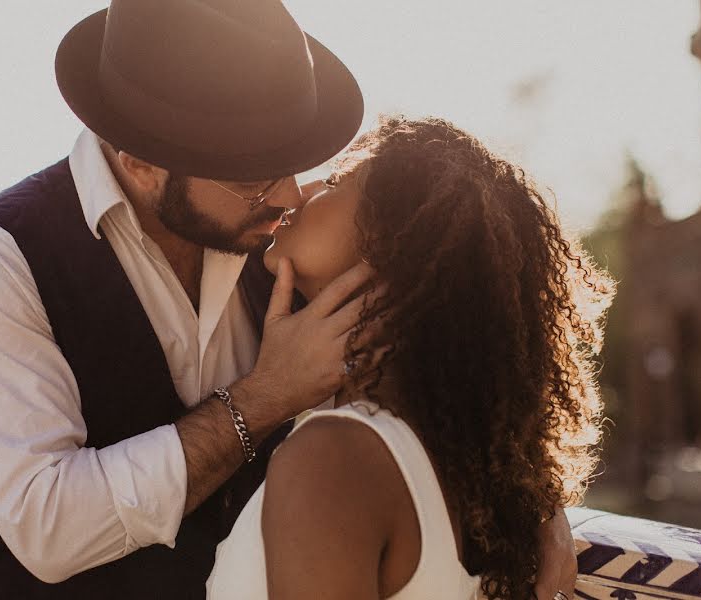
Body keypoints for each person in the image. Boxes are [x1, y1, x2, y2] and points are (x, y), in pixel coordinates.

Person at [0, 1, 577, 598]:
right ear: (141, 164)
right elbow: (49, 528)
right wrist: (265, 399)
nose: (290, 195)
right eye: (252, 179)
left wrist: (536, 498)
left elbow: (454, 343)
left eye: (295, 163)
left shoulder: (290, 251)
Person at [206, 115, 614, 600]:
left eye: (336, 181)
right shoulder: (460, 466)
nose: (301, 191)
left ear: (394, 245)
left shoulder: (335, 455)